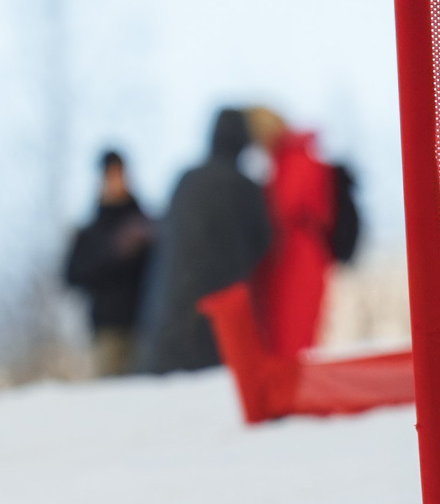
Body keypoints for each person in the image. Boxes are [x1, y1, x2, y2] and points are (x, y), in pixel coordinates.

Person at [139, 109, 271, 374]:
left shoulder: (186, 179)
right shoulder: (246, 188)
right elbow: (265, 243)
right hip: (218, 320)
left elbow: (163, 238)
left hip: (169, 318)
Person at [245, 106, 336, 357]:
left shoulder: (294, 160)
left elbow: (285, 210)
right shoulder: (291, 159)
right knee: (287, 343)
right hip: (293, 261)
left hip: (295, 264)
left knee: (290, 344)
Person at [63, 149, 154, 377]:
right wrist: (115, 252)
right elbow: (71, 276)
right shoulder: (91, 233)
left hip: (147, 325)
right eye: (110, 175)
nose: (117, 181)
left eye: (120, 174)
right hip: (109, 332)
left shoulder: (146, 224)